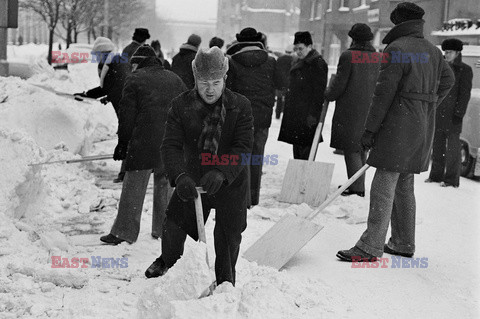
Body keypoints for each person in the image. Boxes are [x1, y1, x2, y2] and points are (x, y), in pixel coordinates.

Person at [337, 2, 455, 262]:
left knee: (383, 183)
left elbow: (383, 95)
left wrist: (369, 130)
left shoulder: (397, 48)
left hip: (398, 125)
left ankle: (369, 246)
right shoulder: (432, 51)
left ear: (399, 23)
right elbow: (449, 80)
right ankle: (403, 242)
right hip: (422, 125)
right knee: (404, 183)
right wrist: (427, 101)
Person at [144, 47, 254, 287]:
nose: (210, 89)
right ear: (195, 78)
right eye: (204, 82)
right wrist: (179, 175)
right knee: (174, 226)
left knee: (228, 236)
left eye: (216, 82)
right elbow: (170, 146)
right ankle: (170, 268)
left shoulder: (241, 106)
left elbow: (242, 147)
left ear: (225, 78)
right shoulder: (181, 106)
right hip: (192, 179)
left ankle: (225, 282)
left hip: (229, 183)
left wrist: (222, 172)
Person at [100, 45, 187, 245]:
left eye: (133, 65)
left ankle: (124, 232)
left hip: (144, 143)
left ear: (138, 63)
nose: (131, 69)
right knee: (164, 184)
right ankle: (163, 229)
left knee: (134, 185)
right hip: (170, 143)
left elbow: (126, 116)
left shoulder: (135, 79)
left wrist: (122, 143)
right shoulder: (174, 79)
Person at [226, 27, 279, 206]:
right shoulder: (271, 61)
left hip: (240, 117)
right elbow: (278, 86)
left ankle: (243, 198)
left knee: (241, 156)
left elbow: (229, 91)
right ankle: (254, 196)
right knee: (257, 156)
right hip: (263, 117)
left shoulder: (232, 62)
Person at [325, 23, 380, 197]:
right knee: (362, 147)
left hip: (351, 110)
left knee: (351, 148)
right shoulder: (377, 57)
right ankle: (358, 183)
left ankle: (357, 188)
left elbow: (339, 85)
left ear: (353, 38)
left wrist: (328, 94)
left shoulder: (348, 56)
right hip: (370, 109)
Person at [74, 37, 130, 183]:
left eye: (97, 54)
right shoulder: (111, 62)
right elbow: (109, 87)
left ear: (104, 53)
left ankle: (126, 173)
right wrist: (89, 94)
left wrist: (106, 96)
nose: (95, 57)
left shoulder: (117, 62)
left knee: (127, 136)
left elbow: (119, 86)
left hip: (127, 106)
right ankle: (127, 172)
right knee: (128, 136)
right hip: (123, 104)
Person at [426, 38, 473, 188]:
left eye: (449, 52)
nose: (446, 55)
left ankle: (451, 180)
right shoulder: (440, 68)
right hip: (439, 112)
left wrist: (459, 113)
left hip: (454, 115)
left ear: (458, 53)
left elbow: (465, 94)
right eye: (445, 52)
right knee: (437, 146)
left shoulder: (465, 70)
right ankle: (435, 176)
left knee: (453, 149)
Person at [278, 31, 328, 160]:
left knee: (305, 156)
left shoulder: (317, 63)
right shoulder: (300, 61)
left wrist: (312, 115)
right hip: (298, 114)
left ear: (310, 46)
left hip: (306, 116)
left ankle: (303, 179)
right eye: (296, 49)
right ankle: (298, 178)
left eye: (301, 48)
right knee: (298, 153)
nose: (298, 52)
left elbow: (319, 93)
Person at [274, 45, 295, 119]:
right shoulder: (293, 59)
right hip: (289, 82)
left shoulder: (280, 59)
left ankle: (277, 114)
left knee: (279, 99)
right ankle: (286, 115)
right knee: (287, 100)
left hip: (280, 82)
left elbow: (276, 70)